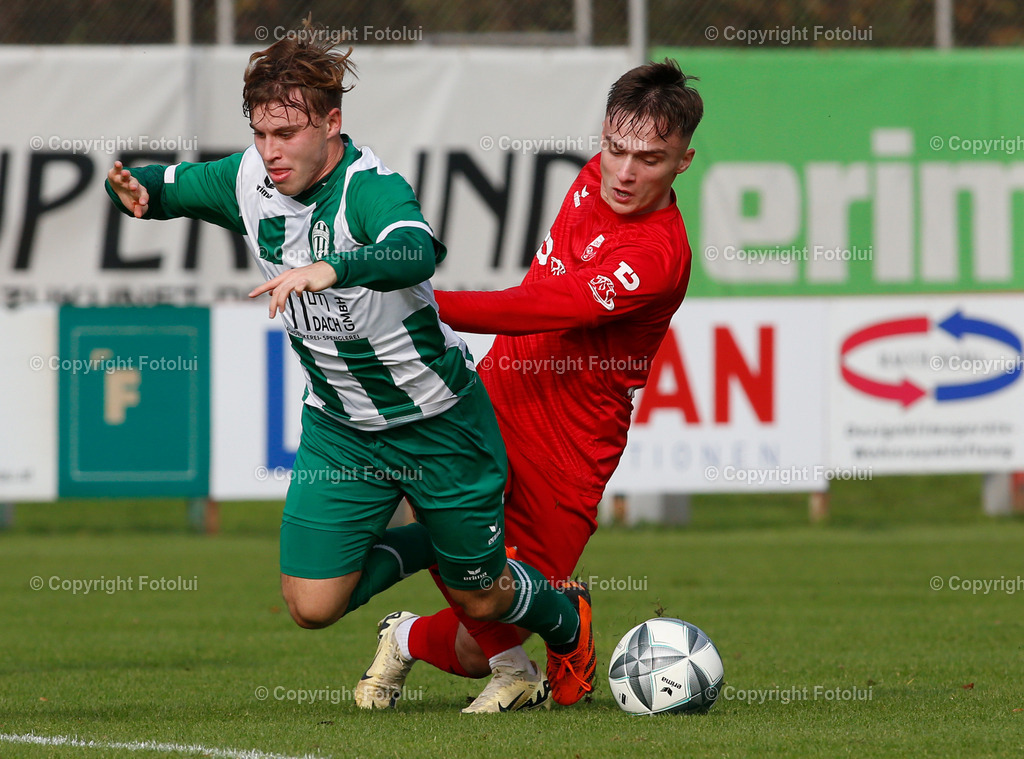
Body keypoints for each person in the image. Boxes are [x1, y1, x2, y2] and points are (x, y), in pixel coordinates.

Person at [103, 30, 593, 710]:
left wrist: (331, 267)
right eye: (260, 132)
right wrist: (130, 190)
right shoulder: (249, 177)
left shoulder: (370, 188)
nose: (271, 151)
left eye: (288, 132)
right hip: (342, 429)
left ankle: (566, 617)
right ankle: (432, 541)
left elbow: (415, 250)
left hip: (439, 424)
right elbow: (166, 188)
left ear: (333, 123)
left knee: (484, 594)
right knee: (310, 604)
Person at [356, 59, 703, 713]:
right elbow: (533, 301)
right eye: (615, 149)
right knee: (438, 511)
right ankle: (497, 637)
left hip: (575, 443)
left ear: (683, 160)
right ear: (603, 136)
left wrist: (427, 301)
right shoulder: (589, 182)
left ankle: (405, 635)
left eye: (650, 159)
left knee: (484, 635)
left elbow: (544, 307)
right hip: (496, 400)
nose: (625, 172)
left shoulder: (657, 257)